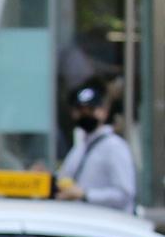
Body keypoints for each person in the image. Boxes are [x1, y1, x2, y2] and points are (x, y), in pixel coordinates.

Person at [56, 80, 137, 213]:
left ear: (104, 112)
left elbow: (125, 193)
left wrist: (86, 194)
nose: (85, 114)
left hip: (109, 226)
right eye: (80, 110)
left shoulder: (114, 147)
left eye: (91, 109)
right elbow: (64, 178)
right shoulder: (80, 147)